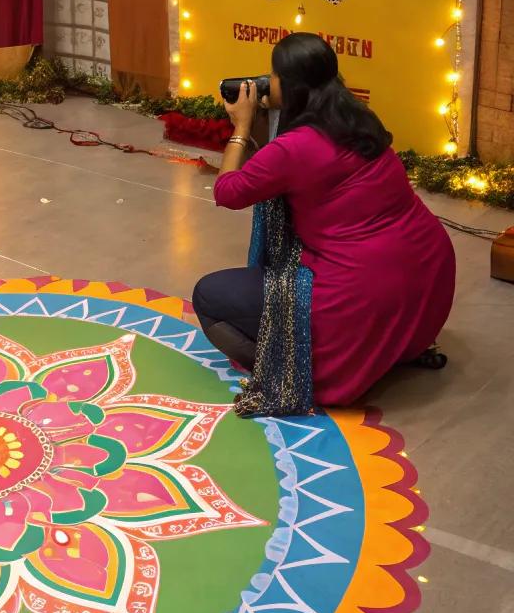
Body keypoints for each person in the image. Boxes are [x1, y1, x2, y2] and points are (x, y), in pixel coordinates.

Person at [192, 32, 456, 415]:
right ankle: (390, 352)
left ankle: (291, 372)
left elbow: (228, 191)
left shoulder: (295, 147)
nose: (268, 81)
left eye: (273, 75)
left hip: (360, 294)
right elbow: (283, 167)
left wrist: (241, 126)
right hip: (427, 276)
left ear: (291, 85)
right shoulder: (359, 119)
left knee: (209, 296)